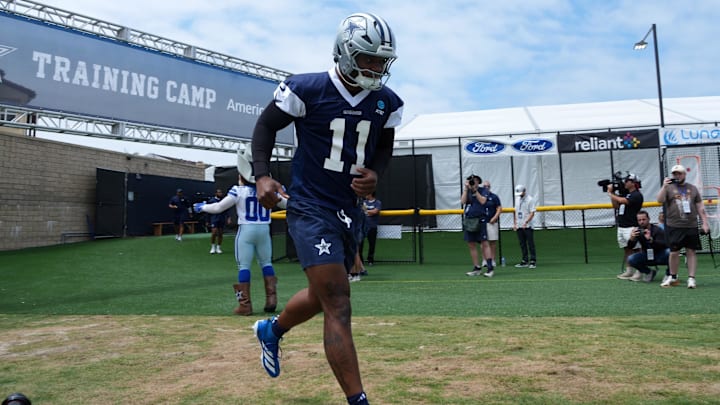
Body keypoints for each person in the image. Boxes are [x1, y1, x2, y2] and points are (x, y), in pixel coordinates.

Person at [250, 13, 402, 405]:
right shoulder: (308, 88)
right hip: (311, 205)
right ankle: (358, 400)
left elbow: (384, 146)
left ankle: (272, 331)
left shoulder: (387, 101)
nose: (375, 67)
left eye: (380, 61)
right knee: (338, 301)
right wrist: (262, 175)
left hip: (349, 209)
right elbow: (266, 126)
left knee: (324, 295)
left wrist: (376, 174)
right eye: (368, 58)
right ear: (346, 52)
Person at [194, 148, 285, 315]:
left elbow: (219, 207)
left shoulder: (238, 190)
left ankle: (245, 305)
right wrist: (283, 194)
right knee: (266, 263)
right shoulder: (268, 190)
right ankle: (271, 299)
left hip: (246, 229)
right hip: (264, 229)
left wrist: (202, 207)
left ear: (242, 175)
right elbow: (286, 204)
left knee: (244, 266)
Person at [657, 164, 709, 289]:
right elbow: (659, 200)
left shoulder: (693, 188)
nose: (677, 176)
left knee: (691, 251)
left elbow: (700, 207)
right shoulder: (669, 188)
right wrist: (664, 186)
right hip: (674, 226)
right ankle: (672, 276)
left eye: (679, 173)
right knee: (674, 252)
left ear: (684, 174)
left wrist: (705, 222)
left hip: (690, 225)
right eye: (675, 174)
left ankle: (691, 278)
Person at [608, 173, 644, 280]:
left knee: (637, 249)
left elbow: (623, 201)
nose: (625, 183)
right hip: (622, 226)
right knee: (627, 249)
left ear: (633, 183)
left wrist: (610, 193)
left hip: (631, 226)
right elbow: (616, 205)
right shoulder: (626, 194)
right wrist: (613, 194)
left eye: (627, 181)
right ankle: (629, 271)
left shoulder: (636, 195)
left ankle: (639, 271)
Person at [626, 210, 669, 282]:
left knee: (669, 252)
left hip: (660, 255)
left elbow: (664, 245)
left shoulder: (657, 230)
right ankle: (649, 272)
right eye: (639, 220)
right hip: (647, 255)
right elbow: (630, 247)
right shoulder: (638, 231)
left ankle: (669, 274)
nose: (641, 222)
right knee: (631, 259)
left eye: (643, 219)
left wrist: (650, 240)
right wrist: (632, 238)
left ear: (649, 219)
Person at [463, 175, 489, 276]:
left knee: (484, 243)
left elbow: (483, 201)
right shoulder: (468, 191)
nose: (473, 182)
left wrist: (474, 190)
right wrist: (466, 189)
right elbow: (463, 201)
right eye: (471, 181)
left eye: (474, 181)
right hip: (470, 220)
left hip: (480, 219)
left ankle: (489, 266)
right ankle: (476, 267)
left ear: (478, 181)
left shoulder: (483, 190)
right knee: (471, 244)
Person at [480, 180, 502, 277]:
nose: (486, 188)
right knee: (483, 242)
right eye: (484, 186)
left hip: (492, 222)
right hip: (482, 222)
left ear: (490, 187)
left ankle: (492, 260)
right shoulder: (480, 197)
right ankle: (485, 260)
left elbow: (499, 208)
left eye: (488, 186)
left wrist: (495, 217)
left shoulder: (494, 197)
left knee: (492, 242)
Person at [513, 184, 537, 268]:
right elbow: (515, 211)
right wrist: (515, 223)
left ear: (524, 191)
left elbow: (532, 212)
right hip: (519, 225)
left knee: (530, 243)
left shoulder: (530, 200)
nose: (519, 195)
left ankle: (533, 260)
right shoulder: (517, 199)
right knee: (522, 243)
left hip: (528, 226)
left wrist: (526, 222)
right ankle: (524, 260)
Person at [359, 191, 381, 267]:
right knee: (360, 243)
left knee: (372, 244)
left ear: (370, 194)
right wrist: (367, 212)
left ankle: (370, 260)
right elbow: (360, 210)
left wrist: (366, 211)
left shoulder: (377, 202)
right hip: (363, 226)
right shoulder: (364, 202)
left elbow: (375, 211)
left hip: (372, 226)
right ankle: (360, 260)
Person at [207, 188, 230, 254]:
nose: (220, 194)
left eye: (221, 192)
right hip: (214, 218)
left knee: (220, 233)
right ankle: (213, 247)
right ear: (216, 193)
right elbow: (208, 210)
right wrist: (207, 220)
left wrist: (228, 218)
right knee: (214, 232)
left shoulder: (223, 201)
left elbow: (226, 210)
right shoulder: (211, 200)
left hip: (221, 218)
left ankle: (218, 247)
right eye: (219, 192)